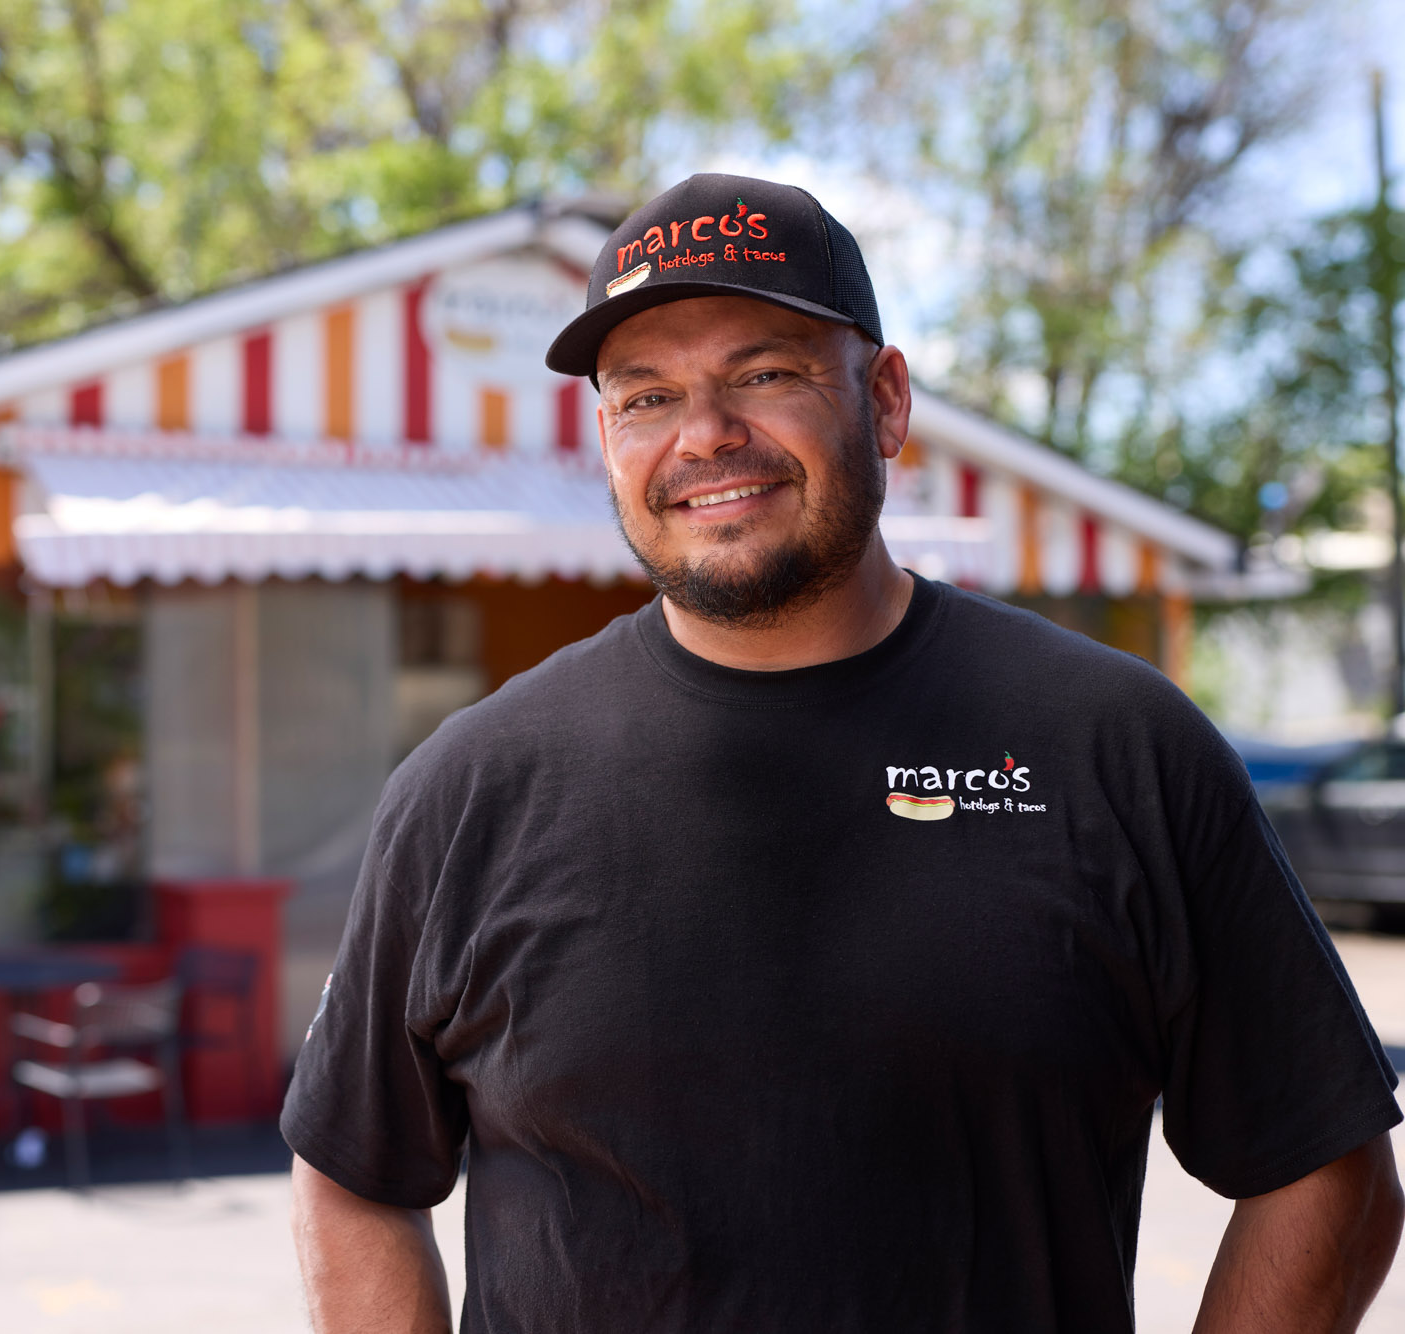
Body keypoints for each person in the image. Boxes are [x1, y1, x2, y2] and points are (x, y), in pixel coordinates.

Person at [281, 173, 1405, 1332]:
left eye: (763, 374)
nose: (704, 435)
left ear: (882, 399)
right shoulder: (470, 788)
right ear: (604, 436)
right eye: (645, 395)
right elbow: (354, 1173)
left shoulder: (1112, 746)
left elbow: (1321, 1161)